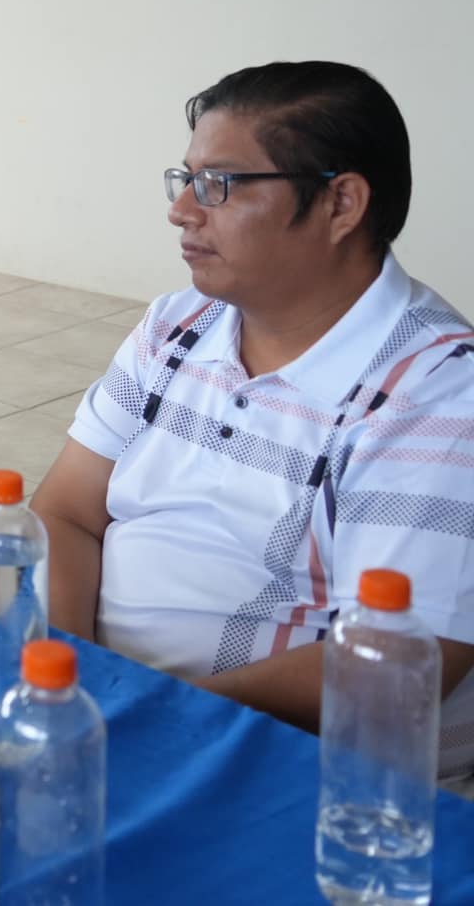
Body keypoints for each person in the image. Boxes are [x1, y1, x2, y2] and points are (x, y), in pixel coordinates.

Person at [29, 62, 474, 778]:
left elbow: (393, 666)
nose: (183, 210)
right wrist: (67, 675)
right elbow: (66, 512)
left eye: (220, 184)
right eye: (186, 179)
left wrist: (152, 720)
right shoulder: (179, 325)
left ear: (341, 203)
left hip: (286, 768)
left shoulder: (439, 396)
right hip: (112, 714)